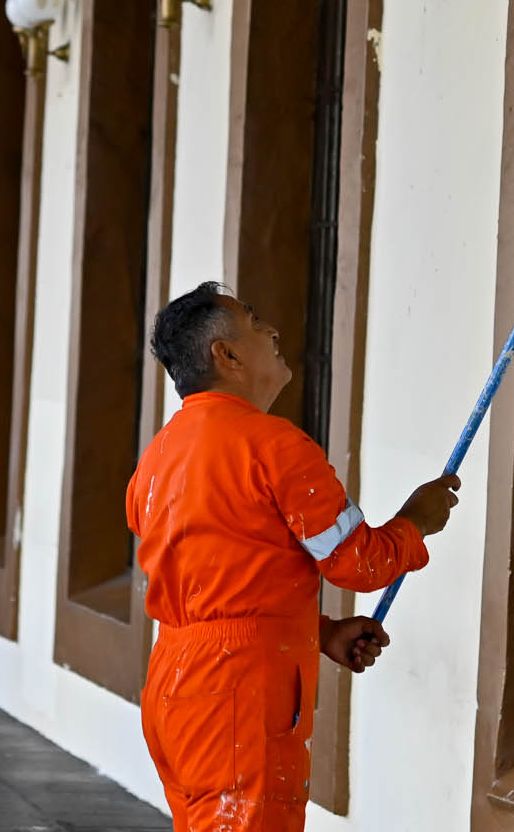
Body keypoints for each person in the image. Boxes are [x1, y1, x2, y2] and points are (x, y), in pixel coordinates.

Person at [128, 283, 460, 831]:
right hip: (239, 697)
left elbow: (217, 585)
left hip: (175, 686)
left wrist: (320, 631)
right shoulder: (273, 445)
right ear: (227, 355)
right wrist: (414, 522)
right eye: (255, 322)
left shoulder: (159, 457)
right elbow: (358, 562)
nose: (274, 332)